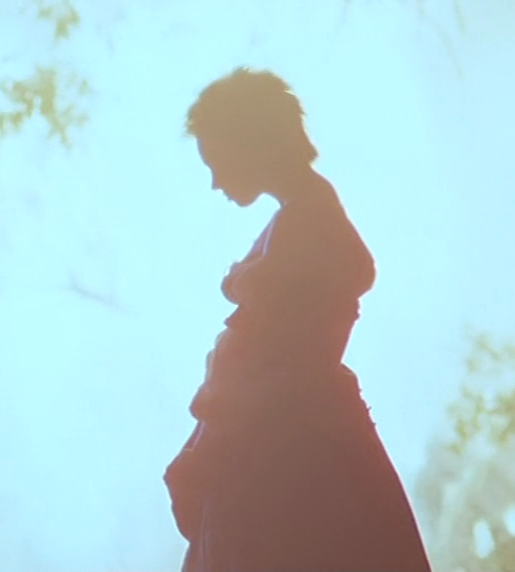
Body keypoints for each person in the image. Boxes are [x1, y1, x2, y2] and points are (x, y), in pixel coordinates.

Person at [164, 67, 433, 572]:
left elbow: (272, 361)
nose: (216, 182)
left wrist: (207, 449)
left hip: (294, 458)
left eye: (218, 162)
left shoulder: (308, 223)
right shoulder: (299, 218)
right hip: (284, 445)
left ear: (251, 144)